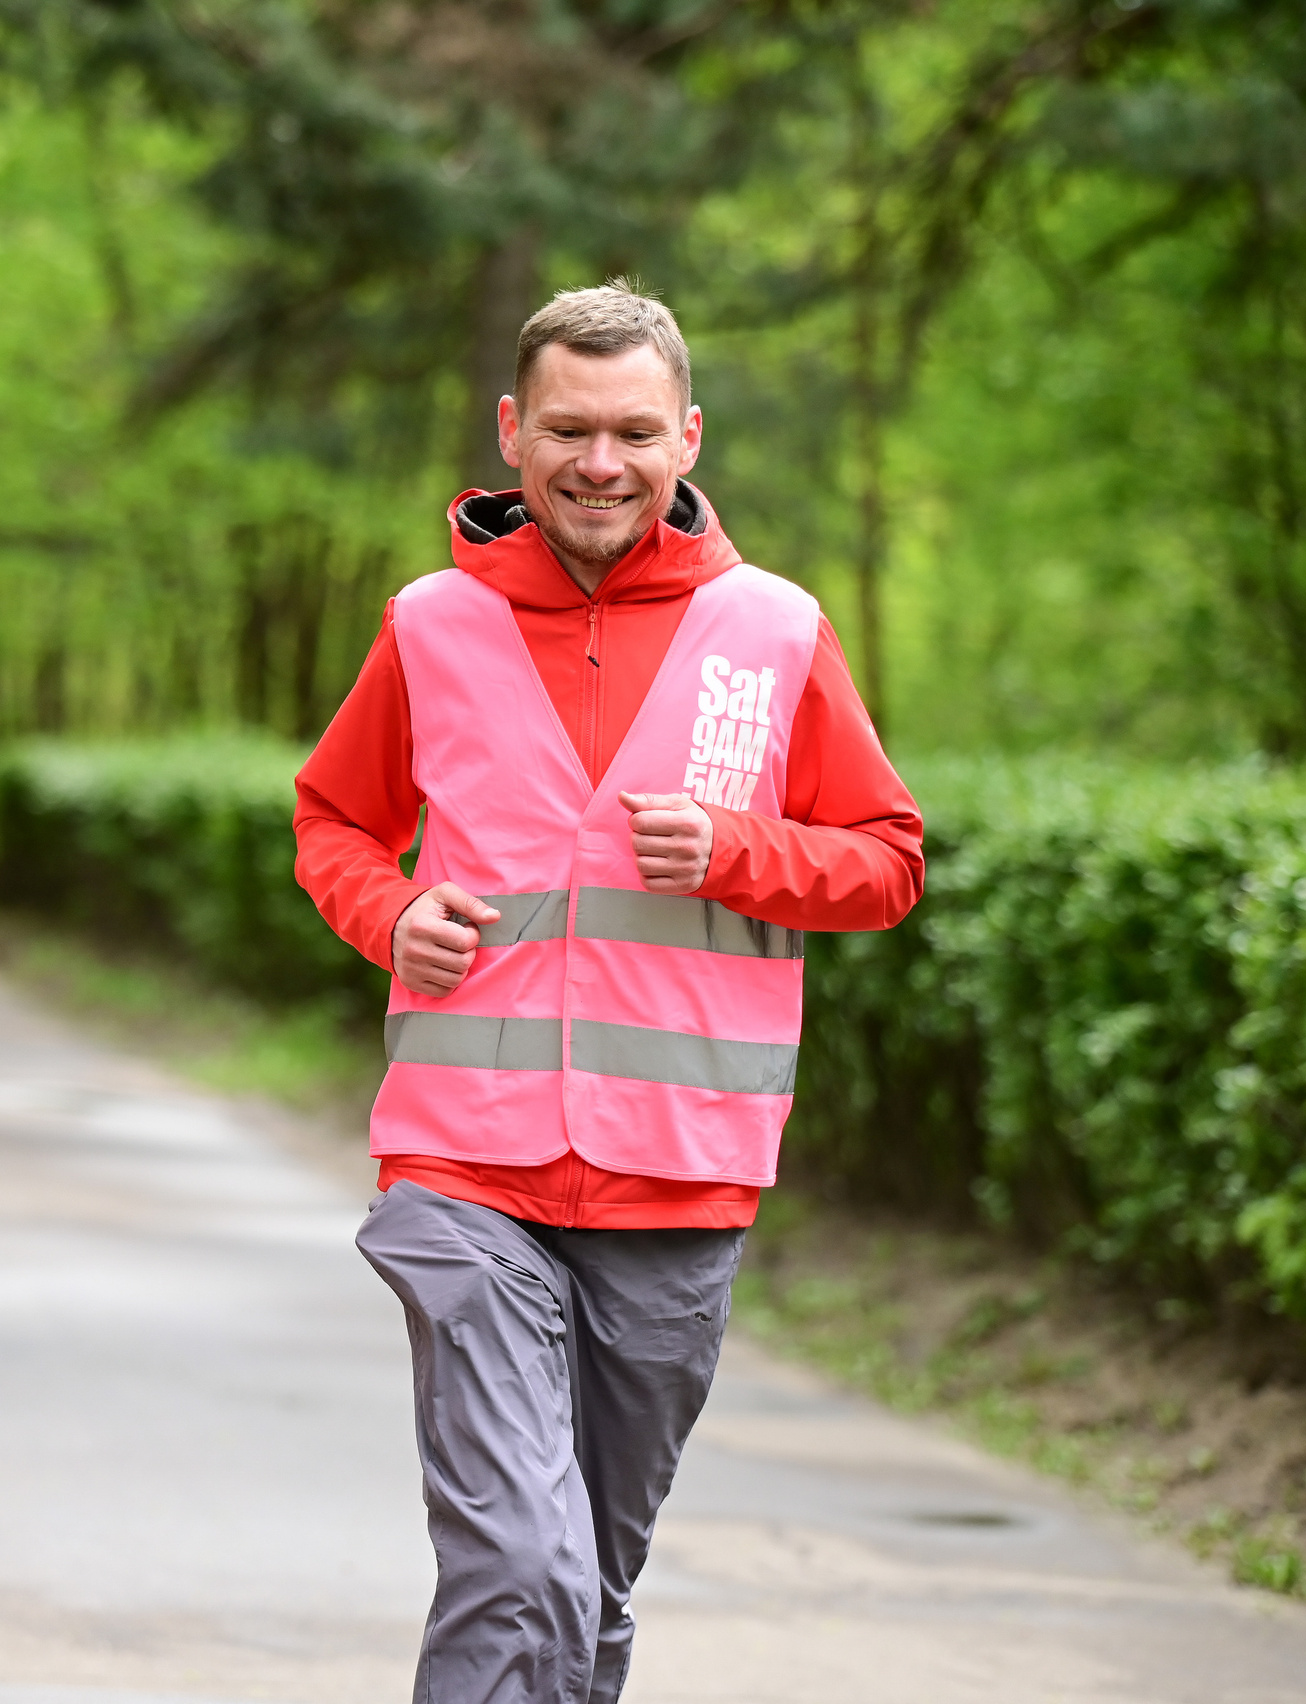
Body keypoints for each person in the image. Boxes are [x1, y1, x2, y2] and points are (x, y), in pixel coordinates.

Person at [294, 283, 924, 1704]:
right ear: (512, 433)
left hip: (680, 1176)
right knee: (519, 1563)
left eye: (634, 431)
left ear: (686, 437)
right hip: (464, 1161)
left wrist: (744, 851)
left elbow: (888, 862)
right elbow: (331, 822)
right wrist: (393, 913)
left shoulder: (773, 633)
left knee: (592, 1585)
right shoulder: (431, 623)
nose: (600, 462)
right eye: (569, 428)